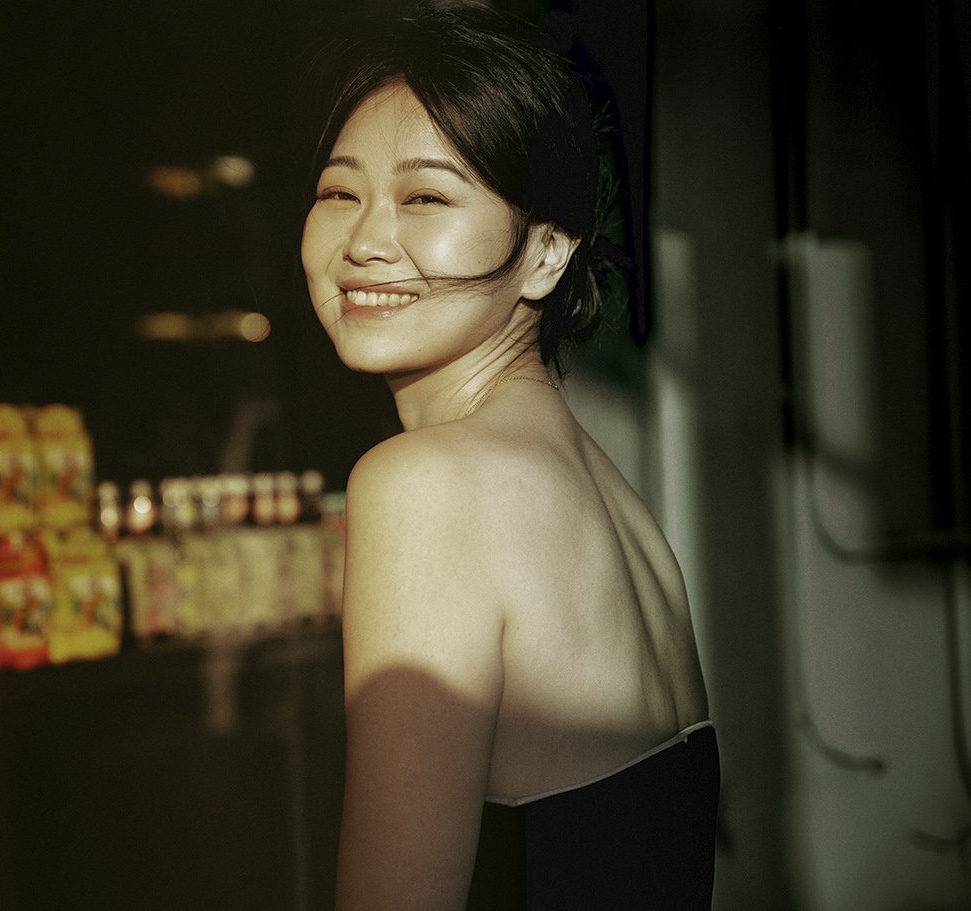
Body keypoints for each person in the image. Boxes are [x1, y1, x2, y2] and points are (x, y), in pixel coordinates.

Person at [299, 3, 717, 908]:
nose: (365, 241)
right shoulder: (607, 496)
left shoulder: (425, 485)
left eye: (427, 197)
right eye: (339, 192)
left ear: (545, 253)